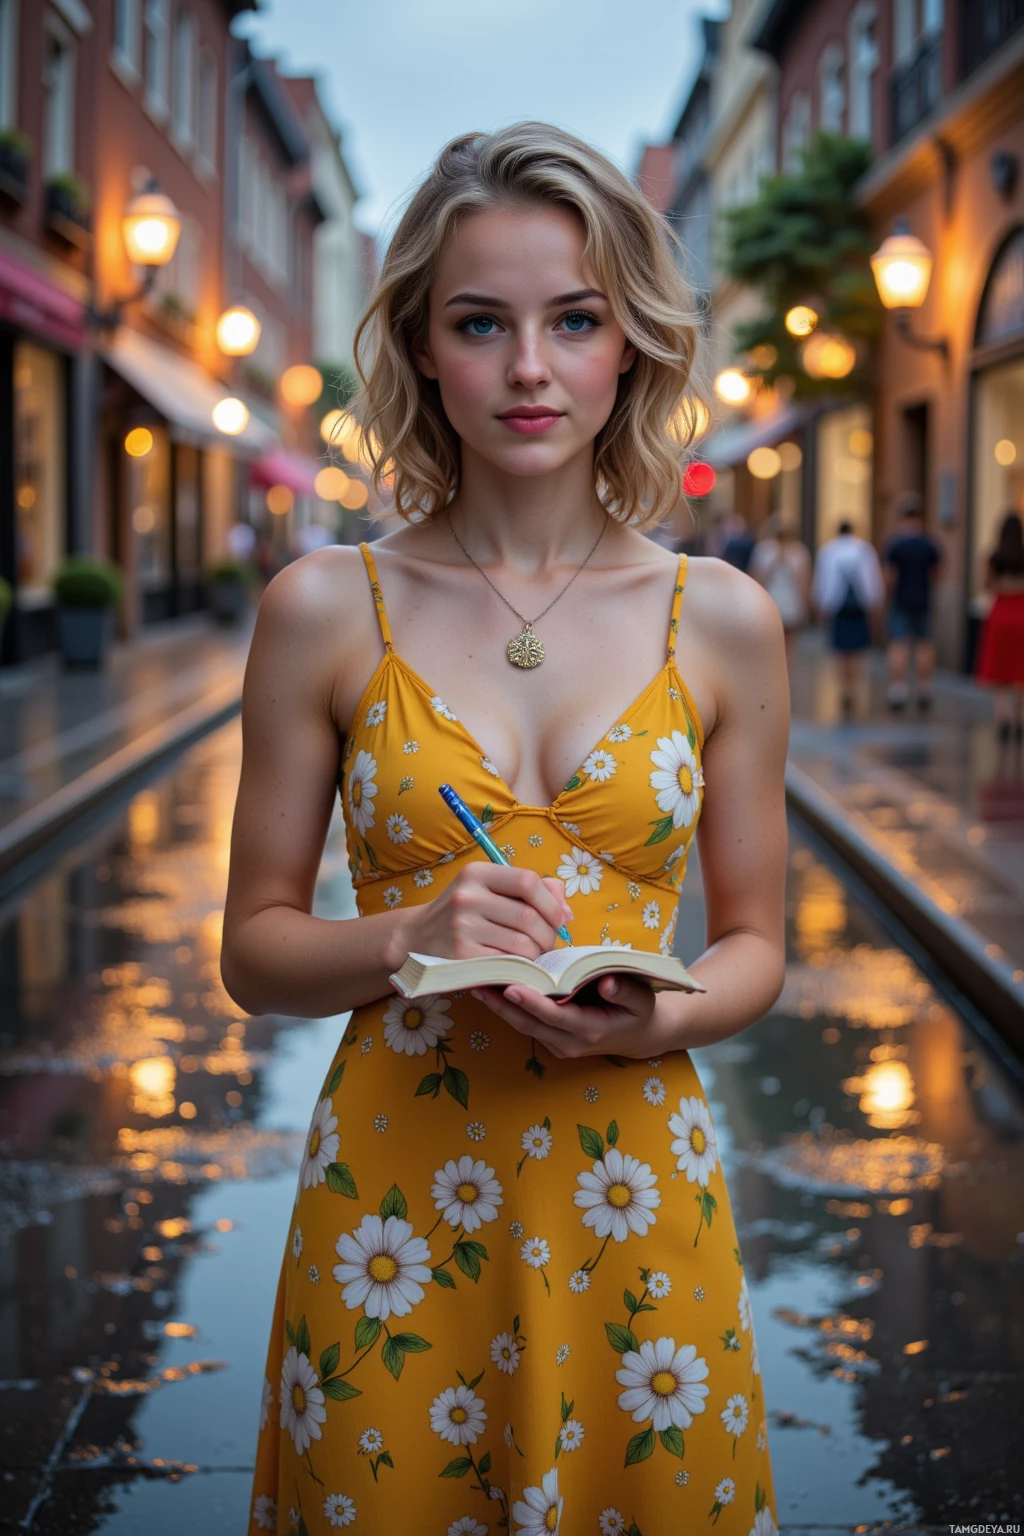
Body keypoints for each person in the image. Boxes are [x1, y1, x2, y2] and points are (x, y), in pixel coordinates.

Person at [224, 122, 786, 1535]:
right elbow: (255, 952)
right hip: (393, 1222)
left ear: (632, 343)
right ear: (422, 344)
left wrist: (659, 1021)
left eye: (575, 320)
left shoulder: (720, 617)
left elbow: (759, 943)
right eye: (482, 323)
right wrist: (409, 933)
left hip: (636, 1194)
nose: (530, 369)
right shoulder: (320, 608)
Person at [812, 518, 885, 716]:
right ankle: (853, 686)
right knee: (857, 650)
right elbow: (872, 580)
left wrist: (821, 605)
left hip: (837, 605)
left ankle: (845, 688)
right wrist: (875, 605)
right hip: (859, 606)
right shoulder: (865, 550)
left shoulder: (828, 551)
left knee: (841, 651)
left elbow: (822, 580)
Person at [882, 493, 942, 711]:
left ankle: (898, 690)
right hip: (923, 600)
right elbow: (938, 574)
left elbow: (889, 577)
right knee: (924, 645)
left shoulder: (895, 545)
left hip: (901, 601)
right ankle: (924, 688)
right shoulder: (929, 544)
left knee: (899, 645)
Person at [975, 511, 1024, 743]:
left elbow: (986, 585)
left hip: (1001, 613)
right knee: (1019, 672)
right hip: (1021, 613)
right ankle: (1019, 720)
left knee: (1001, 672)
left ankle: (1003, 719)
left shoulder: (994, 557)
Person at [748, 512, 812, 669]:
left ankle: (776, 673)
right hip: (787, 603)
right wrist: (805, 605)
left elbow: (756, 579)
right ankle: (785, 674)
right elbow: (804, 583)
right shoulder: (798, 552)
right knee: (788, 644)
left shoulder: (764, 550)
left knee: (773, 643)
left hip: (772, 602)